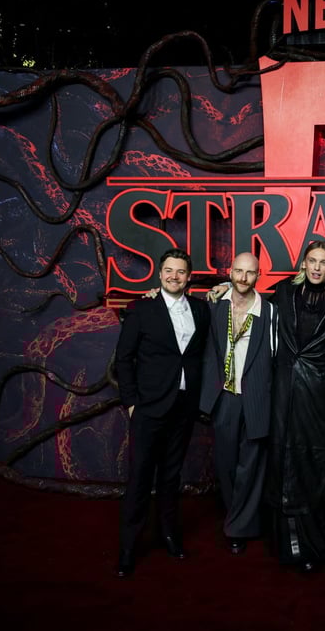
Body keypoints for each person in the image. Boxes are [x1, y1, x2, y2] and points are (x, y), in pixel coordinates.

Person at [113, 247, 211, 578]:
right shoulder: (142, 309)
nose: (174, 276)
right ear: (159, 273)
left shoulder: (201, 309)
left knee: (171, 476)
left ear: (189, 277)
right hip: (149, 407)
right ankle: (129, 546)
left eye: (180, 271)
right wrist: (131, 403)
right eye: (169, 270)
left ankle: (168, 534)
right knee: (140, 477)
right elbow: (123, 358)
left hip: (184, 407)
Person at [264, 240, 325, 573]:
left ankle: (315, 545)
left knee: (315, 465)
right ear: (303, 263)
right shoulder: (283, 292)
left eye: (323, 262)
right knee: (283, 461)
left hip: (320, 395)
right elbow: (251, 307)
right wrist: (223, 291)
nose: (316, 267)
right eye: (312, 261)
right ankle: (289, 546)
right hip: (285, 392)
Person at [199, 252, 277, 556]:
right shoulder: (214, 306)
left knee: (251, 466)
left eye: (250, 272)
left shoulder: (270, 312)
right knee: (226, 463)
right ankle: (239, 517)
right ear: (230, 272)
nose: (244, 278)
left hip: (256, 397)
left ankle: (237, 528)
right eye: (239, 271)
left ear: (259, 275)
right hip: (225, 397)